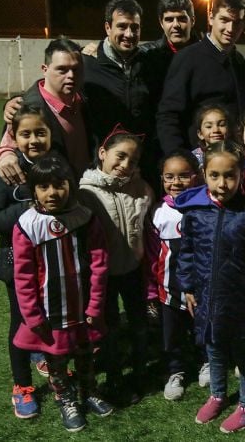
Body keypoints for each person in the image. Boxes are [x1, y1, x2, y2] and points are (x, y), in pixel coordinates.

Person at [174, 140, 245, 433]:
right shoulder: (195, 212)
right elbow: (186, 252)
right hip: (207, 297)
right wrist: (186, 286)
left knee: (243, 351)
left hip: (241, 301)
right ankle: (218, 394)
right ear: (204, 174)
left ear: (241, 175)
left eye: (229, 176)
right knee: (214, 346)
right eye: (215, 175)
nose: (222, 183)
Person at [11, 155, 112, 432]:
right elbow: (23, 276)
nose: (52, 193)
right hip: (49, 312)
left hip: (81, 308)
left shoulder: (84, 217)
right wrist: (32, 315)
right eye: (43, 187)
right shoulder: (27, 225)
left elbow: (99, 265)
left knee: (85, 354)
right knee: (55, 361)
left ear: (71, 185)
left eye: (59, 185)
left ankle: (89, 391)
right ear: (34, 191)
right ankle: (65, 399)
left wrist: (94, 307)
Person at [0, 105, 56, 419]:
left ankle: (49, 360)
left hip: (53, 264)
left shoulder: (55, 166)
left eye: (41, 132)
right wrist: (28, 207)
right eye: (26, 134)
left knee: (49, 316)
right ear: (14, 137)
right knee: (21, 325)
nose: (34, 140)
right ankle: (22, 387)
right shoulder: (8, 172)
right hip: (18, 266)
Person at [78, 127, 155, 403]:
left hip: (133, 271)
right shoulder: (85, 193)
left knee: (139, 324)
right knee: (108, 329)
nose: (125, 165)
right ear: (102, 153)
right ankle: (113, 377)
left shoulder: (142, 189)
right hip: (103, 277)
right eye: (119, 156)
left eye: (132, 161)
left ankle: (140, 371)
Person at [157, 0, 245, 154]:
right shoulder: (187, 58)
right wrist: (177, 157)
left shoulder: (238, 61)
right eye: (224, 20)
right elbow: (169, 116)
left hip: (233, 158)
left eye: (237, 22)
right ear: (211, 18)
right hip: (199, 161)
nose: (230, 29)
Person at [83, 0, 162, 187]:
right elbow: (51, 85)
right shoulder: (86, 63)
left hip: (141, 166)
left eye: (135, 27)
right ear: (108, 28)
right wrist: (16, 101)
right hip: (100, 166)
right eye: (122, 26)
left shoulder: (151, 63)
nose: (129, 33)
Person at [0, 38, 91, 183]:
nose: (71, 76)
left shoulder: (84, 100)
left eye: (75, 69)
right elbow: (7, 147)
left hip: (83, 192)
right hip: (54, 196)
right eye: (62, 70)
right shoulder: (27, 107)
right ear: (45, 70)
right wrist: (5, 155)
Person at [145, 149, 200, 401]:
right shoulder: (157, 212)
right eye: (169, 176)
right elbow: (151, 253)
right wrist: (151, 289)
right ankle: (175, 370)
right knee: (172, 332)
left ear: (196, 177)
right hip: (168, 288)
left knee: (201, 327)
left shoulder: (204, 207)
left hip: (199, 288)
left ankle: (207, 361)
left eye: (183, 176)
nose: (176, 182)